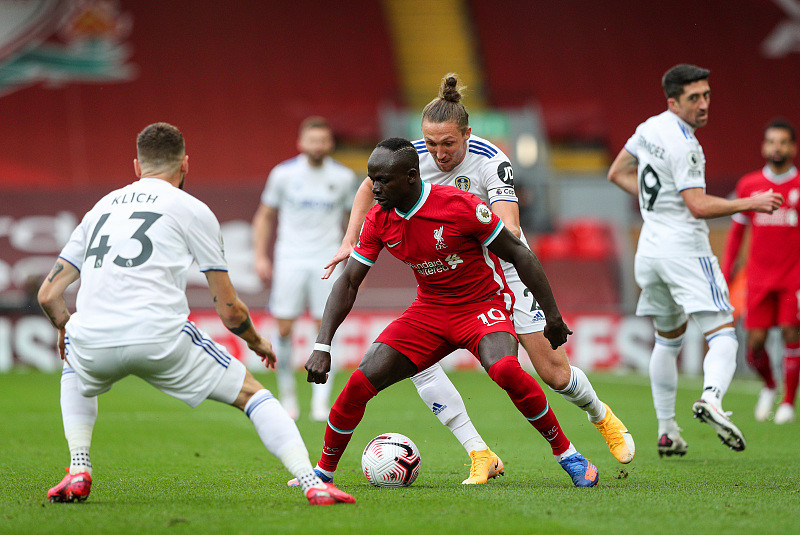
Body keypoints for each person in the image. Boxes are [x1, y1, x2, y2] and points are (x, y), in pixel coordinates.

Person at [323, 74, 633, 483]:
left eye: (448, 144)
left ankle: (600, 414)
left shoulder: (491, 160)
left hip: (502, 264)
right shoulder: (410, 159)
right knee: (416, 364)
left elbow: (511, 231)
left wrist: (464, 227)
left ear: (467, 134)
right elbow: (369, 187)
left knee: (554, 373)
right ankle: (479, 452)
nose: (438, 153)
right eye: (430, 143)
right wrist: (351, 239)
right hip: (449, 274)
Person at [38, 123, 355, 506]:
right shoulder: (191, 209)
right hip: (160, 336)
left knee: (73, 366)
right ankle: (311, 482)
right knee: (253, 395)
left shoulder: (99, 209)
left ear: (137, 166)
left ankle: (78, 467)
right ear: (185, 164)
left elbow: (48, 294)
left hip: (93, 336)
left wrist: (66, 329)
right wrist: (256, 341)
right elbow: (229, 308)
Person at [291, 137, 599, 488]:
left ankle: (569, 455)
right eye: (372, 179)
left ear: (411, 176)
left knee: (506, 370)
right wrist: (322, 345)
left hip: (481, 305)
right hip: (429, 311)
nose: (374, 189)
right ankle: (322, 474)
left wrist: (552, 315)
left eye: (383, 181)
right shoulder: (378, 218)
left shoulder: (459, 206)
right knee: (359, 382)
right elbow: (348, 282)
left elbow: (520, 254)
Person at [607, 64, 784, 456]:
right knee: (722, 332)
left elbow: (616, 172)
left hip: (650, 250)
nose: (703, 104)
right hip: (685, 249)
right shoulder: (686, 144)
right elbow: (699, 206)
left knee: (667, 339)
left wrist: (656, 205)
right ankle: (713, 399)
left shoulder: (649, 127)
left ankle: (667, 431)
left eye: (706, 95)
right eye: (694, 98)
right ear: (674, 102)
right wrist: (750, 203)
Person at [252, 116, 357, 421]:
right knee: (284, 327)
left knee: (325, 327)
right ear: (301, 143)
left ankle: (320, 402)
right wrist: (260, 256)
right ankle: (288, 396)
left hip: (328, 258)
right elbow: (264, 216)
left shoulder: (343, 177)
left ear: (330, 143)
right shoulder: (283, 174)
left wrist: (354, 258)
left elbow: (355, 221)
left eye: (322, 140)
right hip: (290, 257)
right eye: (312, 140)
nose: (317, 146)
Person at [721, 118, 800, 425]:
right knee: (754, 345)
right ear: (764, 146)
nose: (776, 147)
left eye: (783, 142)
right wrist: (725, 273)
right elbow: (736, 235)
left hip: (793, 276)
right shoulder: (749, 185)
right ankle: (769, 385)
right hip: (758, 278)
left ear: (792, 147)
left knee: (792, 333)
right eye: (771, 141)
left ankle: (788, 402)